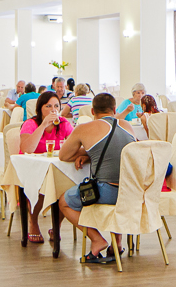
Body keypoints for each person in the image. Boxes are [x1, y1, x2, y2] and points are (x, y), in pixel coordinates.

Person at [57, 92, 136, 265]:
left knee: (64, 202)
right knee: (118, 196)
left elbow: (64, 155)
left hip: (107, 192)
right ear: (114, 109)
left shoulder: (85, 128)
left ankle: (97, 239)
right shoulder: (127, 126)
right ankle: (117, 242)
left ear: (92, 111)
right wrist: (89, 153)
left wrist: (86, 152)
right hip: (131, 192)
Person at [19, 91, 74, 243]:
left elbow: (75, 143)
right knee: (40, 188)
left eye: (56, 106)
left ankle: (56, 225)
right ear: (40, 108)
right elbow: (27, 148)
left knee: (68, 190)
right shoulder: (31, 124)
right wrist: (43, 125)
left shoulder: (63, 123)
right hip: (33, 167)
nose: (53, 110)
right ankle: (33, 222)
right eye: (48, 106)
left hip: (56, 167)